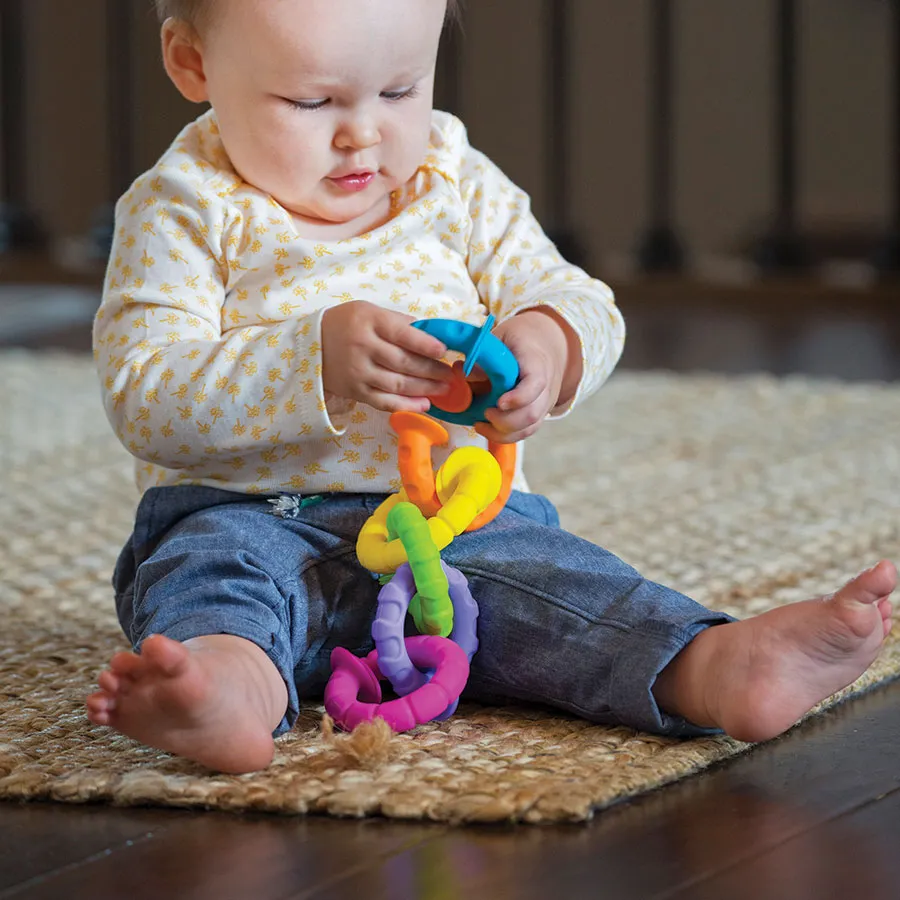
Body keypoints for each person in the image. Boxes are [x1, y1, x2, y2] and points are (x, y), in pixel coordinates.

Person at [87, 0, 896, 775]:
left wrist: (547, 343)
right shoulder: (181, 208)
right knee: (210, 584)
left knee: (564, 589)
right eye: (310, 100)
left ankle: (710, 665)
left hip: (454, 526)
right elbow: (143, 393)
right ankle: (227, 692)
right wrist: (316, 359)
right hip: (246, 517)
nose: (363, 132)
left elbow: (580, 299)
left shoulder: (452, 179)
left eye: (400, 89)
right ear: (192, 62)